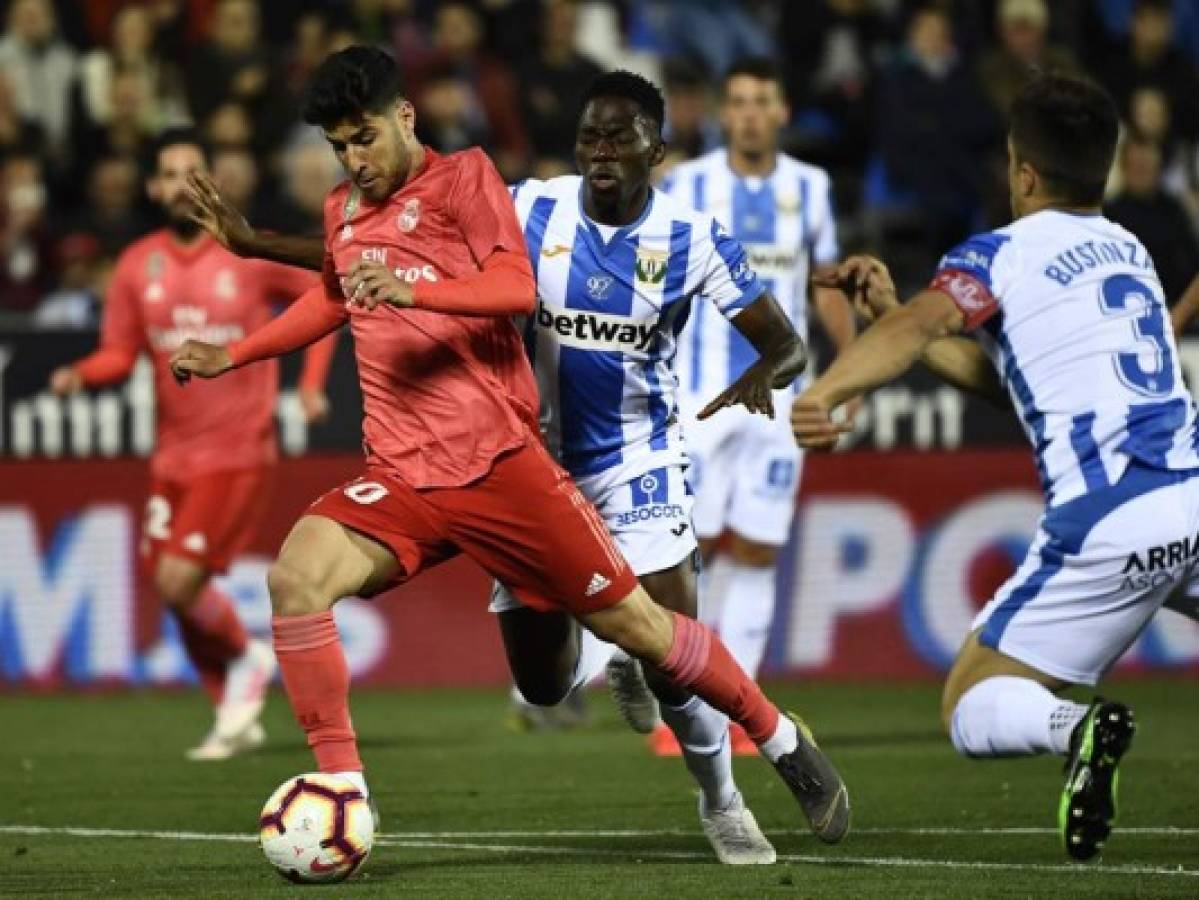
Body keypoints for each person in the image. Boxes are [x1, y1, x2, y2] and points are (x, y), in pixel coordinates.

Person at [169, 46, 849, 849]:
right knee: (300, 580)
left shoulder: (470, 182)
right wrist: (235, 349)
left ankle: (780, 741)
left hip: (509, 467)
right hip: (405, 475)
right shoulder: (346, 211)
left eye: (364, 139)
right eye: (338, 147)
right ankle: (341, 789)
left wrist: (412, 288)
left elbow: (512, 287)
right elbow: (333, 292)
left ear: (405, 118)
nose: (354, 160)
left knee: (649, 632)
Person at [792, 74, 1198, 861]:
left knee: (971, 699)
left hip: (1107, 519)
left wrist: (828, 388)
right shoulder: (1129, 250)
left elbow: (923, 324)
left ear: (1020, 172)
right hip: (1190, 496)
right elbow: (1013, 382)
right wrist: (885, 313)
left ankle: (1076, 726)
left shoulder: (998, 253)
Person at [491, 68, 810, 863]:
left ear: (655, 152)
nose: (601, 152)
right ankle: (610, 651)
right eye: (589, 137)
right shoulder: (527, 205)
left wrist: (759, 375)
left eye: (619, 138)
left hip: (640, 454)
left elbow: (787, 342)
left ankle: (723, 804)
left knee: (676, 655)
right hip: (530, 465)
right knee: (541, 684)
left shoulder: (691, 239)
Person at [48, 127, 334, 761]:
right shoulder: (135, 266)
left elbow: (328, 300)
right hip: (171, 458)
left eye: (193, 171)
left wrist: (312, 386)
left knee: (179, 582)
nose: (182, 184)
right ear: (153, 187)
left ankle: (249, 658)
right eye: (170, 173)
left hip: (238, 451)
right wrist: (79, 374)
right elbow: (119, 355)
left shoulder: (246, 252)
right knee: (172, 587)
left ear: (213, 181)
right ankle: (234, 705)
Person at [657, 58, 855, 755]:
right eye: (735, 101)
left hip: (780, 399)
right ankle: (680, 706)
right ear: (722, 111)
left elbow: (823, 284)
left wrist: (848, 375)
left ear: (780, 112)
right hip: (698, 397)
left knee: (759, 550)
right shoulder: (685, 183)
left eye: (759, 101)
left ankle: (739, 710)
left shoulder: (811, 187)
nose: (746, 112)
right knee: (691, 549)